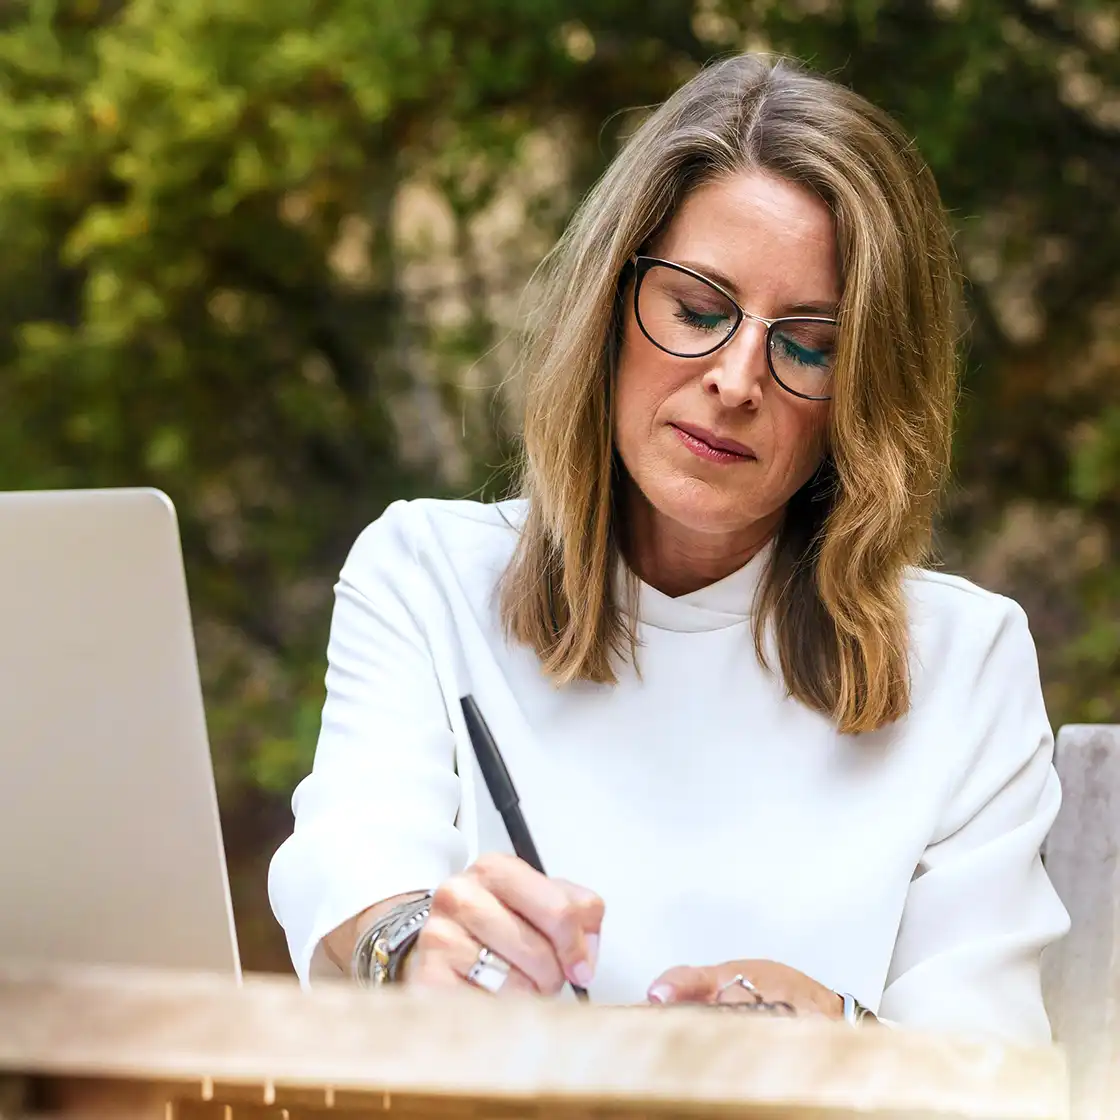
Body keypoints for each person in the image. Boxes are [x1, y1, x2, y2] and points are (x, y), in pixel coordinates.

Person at [267, 53, 1069, 1041]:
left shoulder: (965, 659)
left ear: (862, 393)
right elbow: (358, 861)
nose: (736, 379)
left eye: (808, 344)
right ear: (611, 303)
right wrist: (412, 943)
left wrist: (846, 1041)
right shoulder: (427, 575)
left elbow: (995, 1072)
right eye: (696, 310)